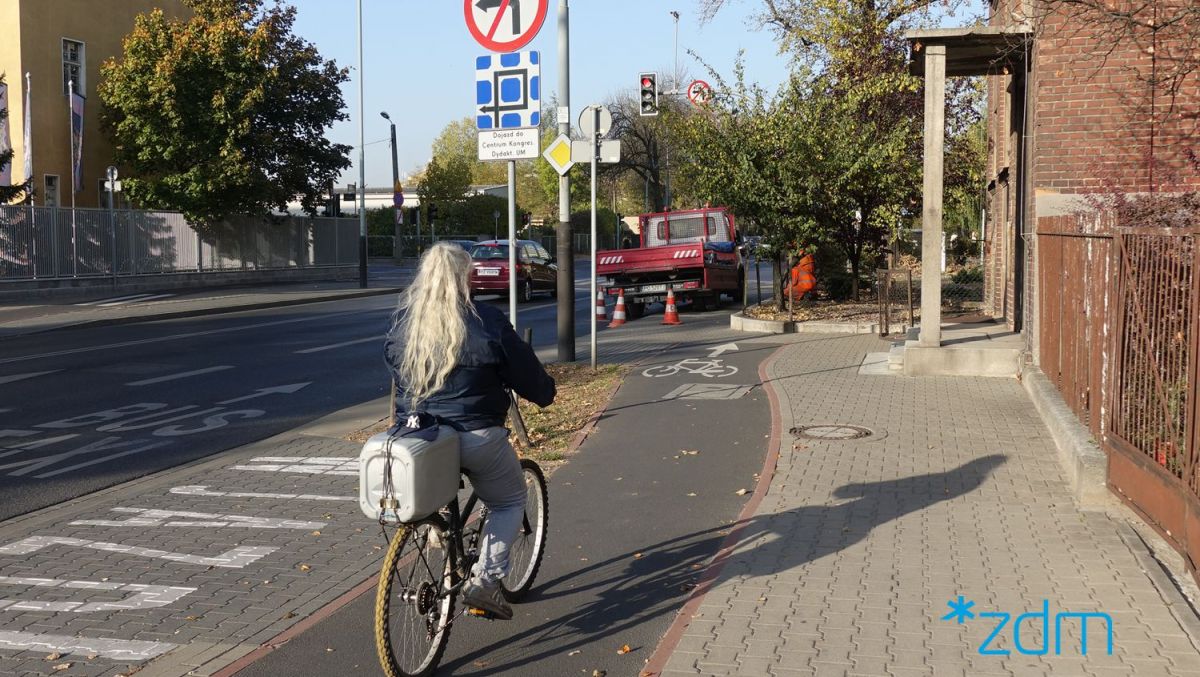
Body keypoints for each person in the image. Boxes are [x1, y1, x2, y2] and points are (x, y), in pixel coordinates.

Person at [384, 242, 556, 620]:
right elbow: (523, 370)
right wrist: (545, 393)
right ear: (467, 277)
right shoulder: (486, 322)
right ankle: (486, 581)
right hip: (475, 434)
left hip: (420, 437)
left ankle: (436, 530)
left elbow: (398, 375)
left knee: (439, 487)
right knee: (509, 501)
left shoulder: (404, 326)